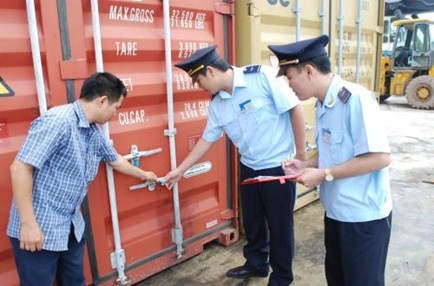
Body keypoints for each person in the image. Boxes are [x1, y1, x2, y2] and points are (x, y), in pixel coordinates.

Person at [164, 45, 306, 286]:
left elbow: (295, 109)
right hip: (249, 166)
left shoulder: (260, 77)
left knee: (280, 225)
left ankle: (282, 276)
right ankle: (256, 263)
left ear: (210, 71)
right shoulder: (218, 104)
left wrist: (301, 156)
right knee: (253, 221)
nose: (198, 88)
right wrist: (180, 170)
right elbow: (207, 140)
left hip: (277, 167)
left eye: (198, 82)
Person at [7, 72, 158, 286]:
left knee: (75, 281)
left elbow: (115, 160)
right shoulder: (58, 121)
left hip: (70, 227)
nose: (115, 114)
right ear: (102, 100)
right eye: (116, 108)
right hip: (39, 230)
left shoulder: (93, 131)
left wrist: (145, 175)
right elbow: (20, 168)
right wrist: (29, 226)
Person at [268, 35, 393, 286]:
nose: (289, 85)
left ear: (309, 71)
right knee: (337, 279)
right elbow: (332, 150)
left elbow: (379, 157)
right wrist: (306, 165)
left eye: (290, 77)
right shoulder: (323, 104)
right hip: (336, 213)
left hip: (363, 218)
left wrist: (324, 175)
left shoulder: (355, 99)